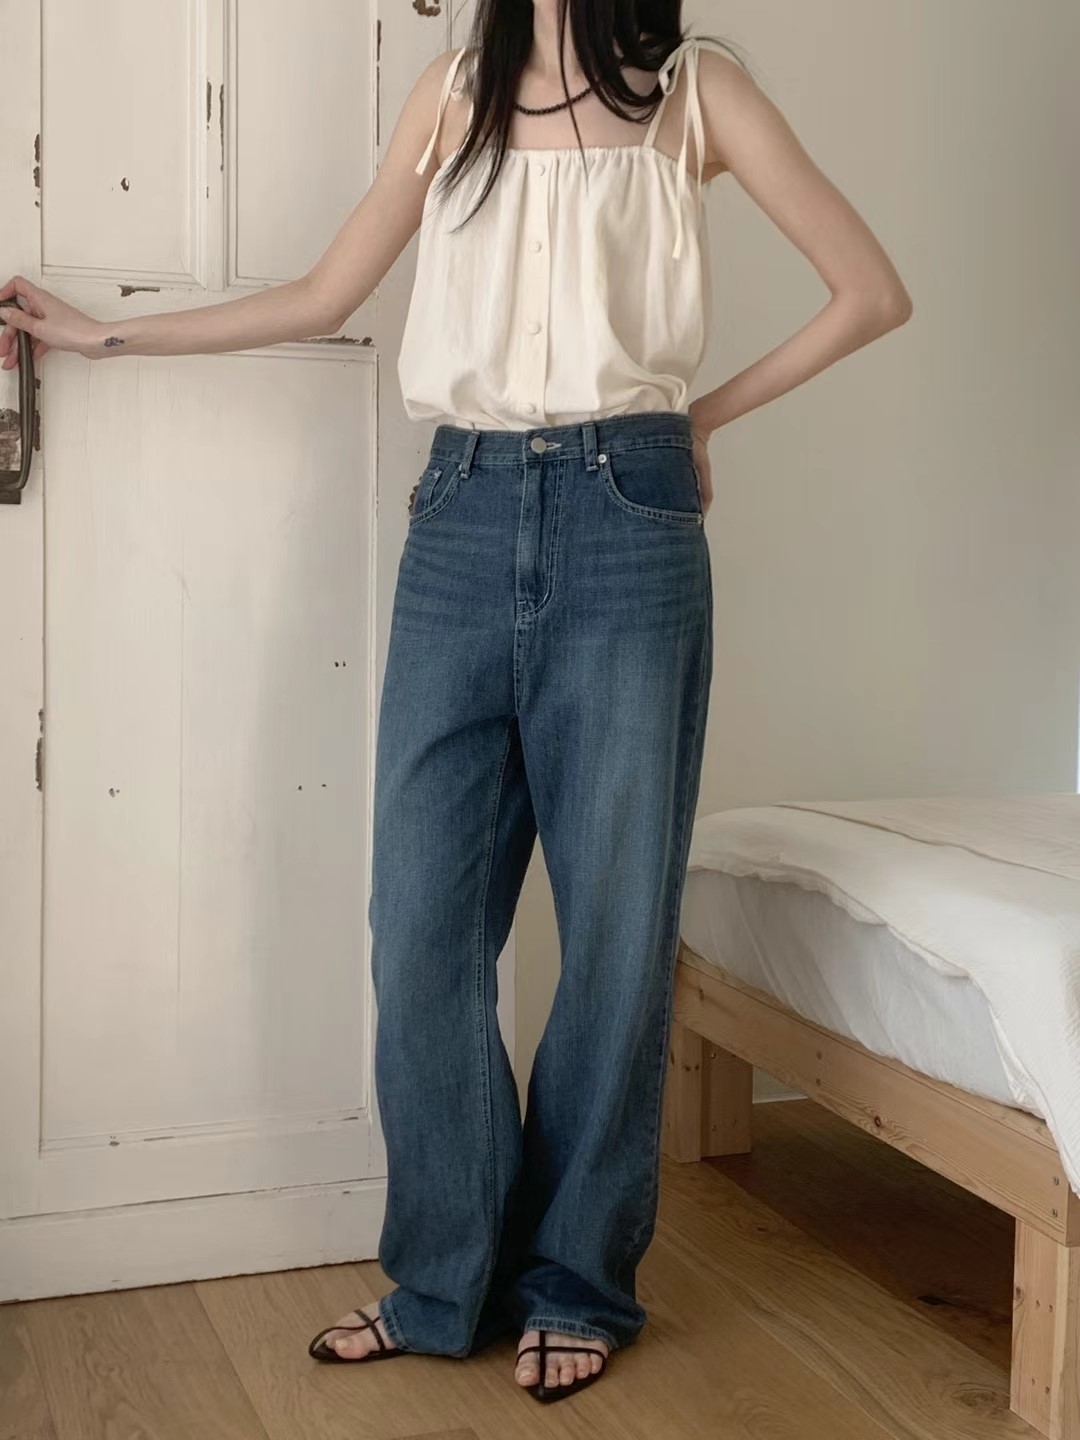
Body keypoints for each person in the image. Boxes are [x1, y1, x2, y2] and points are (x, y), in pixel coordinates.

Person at [0, 0, 912, 1406]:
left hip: (629, 517)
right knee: (420, 929)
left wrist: (700, 419)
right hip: (462, 516)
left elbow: (870, 291)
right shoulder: (451, 94)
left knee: (615, 938)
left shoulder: (696, 93)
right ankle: (444, 1280)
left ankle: (578, 1285)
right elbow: (323, 295)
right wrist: (103, 338)